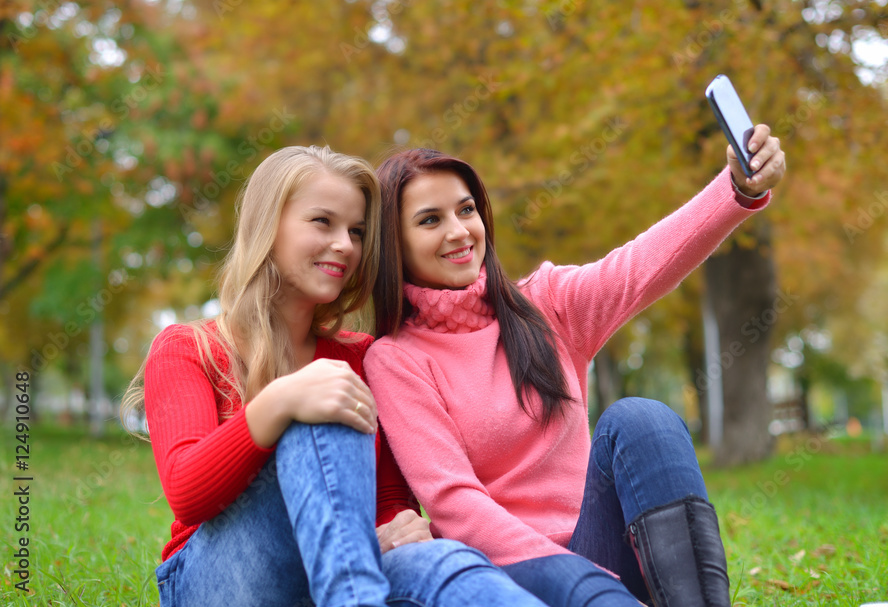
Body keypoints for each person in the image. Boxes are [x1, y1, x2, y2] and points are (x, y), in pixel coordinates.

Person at [363, 127, 786, 607]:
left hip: (601, 549)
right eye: (429, 220)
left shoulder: (545, 303)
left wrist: (736, 190)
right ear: (394, 245)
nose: (459, 231)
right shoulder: (397, 360)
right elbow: (455, 506)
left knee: (641, 418)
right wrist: (582, 578)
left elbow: (642, 265)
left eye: (466, 209)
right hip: (514, 575)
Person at [121, 145, 546, 607]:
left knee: (441, 564)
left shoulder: (366, 356)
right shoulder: (188, 347)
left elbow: (387, 500)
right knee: (324, 399)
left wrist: (404, 524)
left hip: (343, 565)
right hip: (216, 581)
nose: (345, 244)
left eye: (358, 231)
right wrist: (281, 402)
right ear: (269, 225)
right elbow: (187, 492)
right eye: (322, 222)